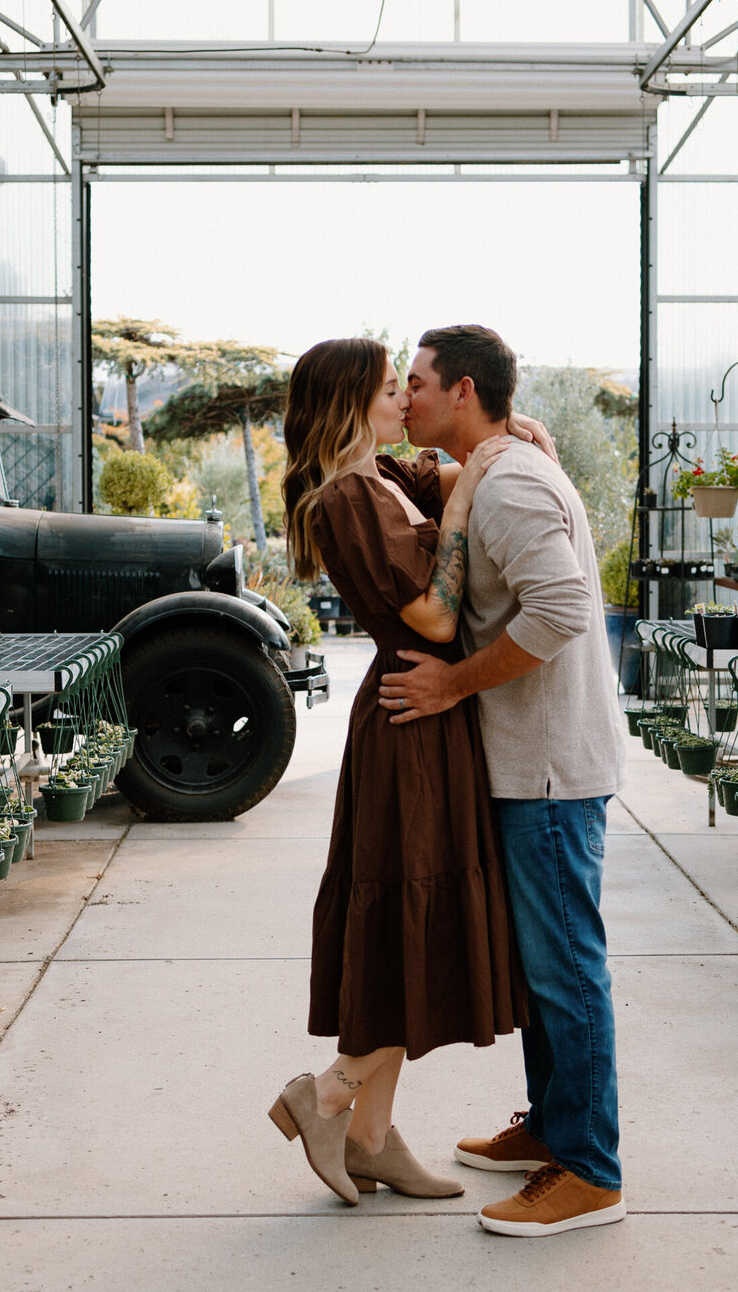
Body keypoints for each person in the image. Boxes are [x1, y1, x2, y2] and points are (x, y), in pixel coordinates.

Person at [269, 337, 548, 1207]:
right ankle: (327, 1097)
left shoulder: (387, 476)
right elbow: (430, 616)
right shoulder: (350, 494)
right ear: (353, 404)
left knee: (409, 920)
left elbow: (469, 477)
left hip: (426, 716)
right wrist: (464, 514)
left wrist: (510, 441)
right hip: (411, 715)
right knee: (408, 915)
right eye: (392, 389)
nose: (405, 400)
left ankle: (368, 1139)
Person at [380, 324, 626, 1238]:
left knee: (566, 970)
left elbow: (563, 606)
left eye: (417, 383)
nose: (405, 399)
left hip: (551, 770)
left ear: (466, 390)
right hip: (535, 763)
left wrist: (451, 682)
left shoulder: (512, 477)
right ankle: (553, 1130)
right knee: (542, 967)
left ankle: (591, 1172)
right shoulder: (495, 467)